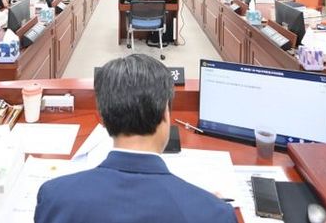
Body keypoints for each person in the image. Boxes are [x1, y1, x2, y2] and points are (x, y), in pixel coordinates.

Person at [35, 54, 237, 223]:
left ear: (103, 118)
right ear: (165, 114)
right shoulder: (215, 214)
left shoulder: (53, 197)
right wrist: (207, 205)